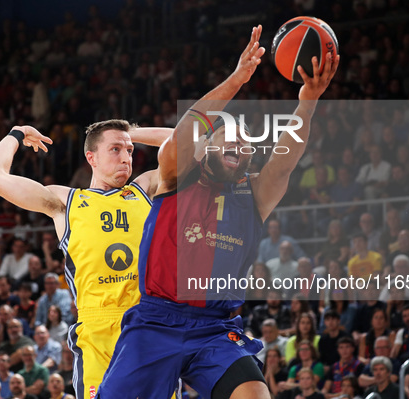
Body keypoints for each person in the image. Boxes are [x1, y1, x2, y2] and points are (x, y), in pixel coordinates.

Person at [99, 28, 338, 397]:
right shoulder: (174, 176)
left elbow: (285, 161)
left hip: (215, 328)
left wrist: (307, 102)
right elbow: (187, 128)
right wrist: (238, 79)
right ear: (203, 148)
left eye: (245, 140)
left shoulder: (254, 193)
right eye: (227, 134)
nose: (238, 142)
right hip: (154, 322)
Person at [0, 101, 169, 399]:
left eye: (130, 151)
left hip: (150, 321)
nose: (126, 158)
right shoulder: (65, 201)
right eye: (115, 150)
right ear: (90, 157)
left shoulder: (144, 188)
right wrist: (16, 134)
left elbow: (195, 147)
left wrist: (130, 133)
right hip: (96, 330)